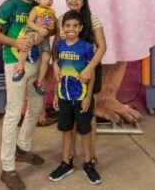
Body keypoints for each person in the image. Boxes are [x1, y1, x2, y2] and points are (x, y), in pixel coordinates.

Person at [0, 0, 48, 190]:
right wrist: (14, 43)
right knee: (13, 112)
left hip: (35, 63)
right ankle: (7, 167)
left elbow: (46, 31)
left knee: (37, 105)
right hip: (15, 63)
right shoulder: (10, 5)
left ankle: (22, 147)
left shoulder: (40, 7)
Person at [48, 11, 101, 184]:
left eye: (75, 26)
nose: (71, 29)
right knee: (66, 129)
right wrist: (56, 94)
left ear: (81, 28)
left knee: (85, 130)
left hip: (82, 97)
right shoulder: (60, 46)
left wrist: (88, 97)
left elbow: (91, 73)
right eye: (68, 26)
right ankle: (66, 163)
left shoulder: (86, 46)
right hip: (64, 96)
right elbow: (59, 74)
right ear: (62, 28)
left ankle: (88, 164)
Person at [57, 0, 107, 166]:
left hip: (89, 71)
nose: (74, 1)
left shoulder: (92, 19)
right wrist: (55, 66)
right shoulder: (62, 19)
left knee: (87, 114)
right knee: (70, 116)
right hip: (68, 72)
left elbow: (102, 47)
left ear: (84, 1)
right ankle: (69, 154)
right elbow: (57, 45)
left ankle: (90, 156)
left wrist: (89, 69)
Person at [13, 0, 55, 89]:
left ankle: (39, 81)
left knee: (46, 57)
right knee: (26, 43)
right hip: (33, 32)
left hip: (45, 38)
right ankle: (20, 68)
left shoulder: (52, 12)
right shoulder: (36, 9)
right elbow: (29, 22)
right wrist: (39, 29)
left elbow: (55, 25)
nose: (48, 1)